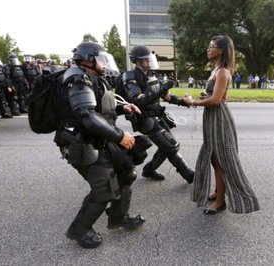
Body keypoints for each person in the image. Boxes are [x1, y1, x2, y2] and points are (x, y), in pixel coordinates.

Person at [53, 42, 149, 249]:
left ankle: (118, 217)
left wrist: (124, 107)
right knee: (104, 188)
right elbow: (87, 116)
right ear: (88, 59)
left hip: (98, 138)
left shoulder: (91, 77)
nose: (105, 65)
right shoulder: (77, 79)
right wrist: (119, 135)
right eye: (101, 60)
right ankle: (79, 229)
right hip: (82, 142)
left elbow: (101, 108)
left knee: (126, 173)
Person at [183, 35, 260, 214]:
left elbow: (217, 100)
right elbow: (217, 96)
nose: (208, 49)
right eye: (209, 46)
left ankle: (220, 201)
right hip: (212, 118)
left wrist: (192, 101)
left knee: (220, 160)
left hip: (219, 119)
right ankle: (219, 192)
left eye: (212, 46)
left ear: (222, 50)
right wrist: (205, 96)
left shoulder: (223, 72)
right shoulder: (216, 70)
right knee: (213, 157)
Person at [121, 45, 194, 184]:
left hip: (158, 116)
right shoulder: (130, 76)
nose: (148, 62)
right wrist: (161, 90)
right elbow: (139, 101)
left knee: (165, 147)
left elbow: (167, 96)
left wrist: (184, 102)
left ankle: (149, 170)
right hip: (145, 119)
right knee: (171, 147)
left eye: (149, 59)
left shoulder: (152, 75)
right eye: (145, 60)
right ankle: (188, 174)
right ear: (136, 61)